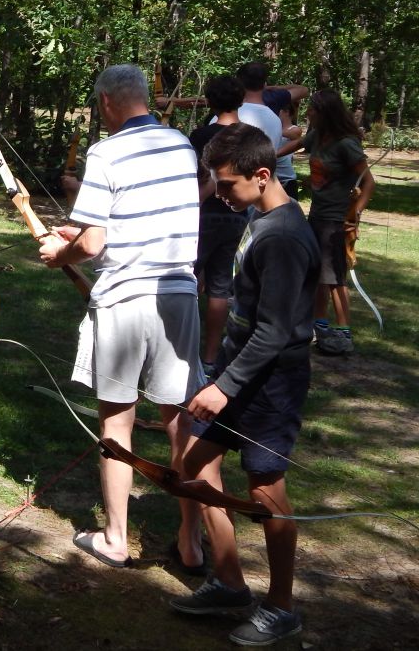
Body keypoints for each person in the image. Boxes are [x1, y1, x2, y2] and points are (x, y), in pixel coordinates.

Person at [38, 64, 203, 571]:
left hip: (126, 300)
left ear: (107, 103)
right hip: (179, 294)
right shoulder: (180, 142)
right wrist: (76, 239)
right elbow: (136, 219)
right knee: (178, 421)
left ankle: (114, 538)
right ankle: (192, 542)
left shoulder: (106, 151)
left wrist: (58, 254)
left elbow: (93, 243)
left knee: (118, 420)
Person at [170, 123, 319, 647]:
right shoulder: (260, 214)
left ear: (262, 174)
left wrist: (223, 386)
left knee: (265, 490)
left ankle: (281, 607)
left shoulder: (282, 235)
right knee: (193, 464)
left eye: (228, 185)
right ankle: (230, 581)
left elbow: (277, 330)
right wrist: (222, 374)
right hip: (239, 374)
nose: (221, 194)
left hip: (271, 384)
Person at [283, 90, 375, 355]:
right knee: (319, 273)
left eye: (312, 108)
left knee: (334, 276)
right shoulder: (319, 136)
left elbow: (368, 182)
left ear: (325, 112)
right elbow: (296, 145)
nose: (308, 112)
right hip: (318, 216)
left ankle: (344, 333)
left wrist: (354, 215)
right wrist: (267, 156)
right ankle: (319, 326)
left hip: (336, 220)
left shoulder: (346, 144)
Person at [189, 76, 249, 376]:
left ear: (210, 102)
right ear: (240, 101)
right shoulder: (251, 136)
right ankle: (210, 359)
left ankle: (182, 353)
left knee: (187, 280)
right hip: (237, 216)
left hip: (202, 215)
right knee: (220, 286)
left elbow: (192, 177)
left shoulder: (201, 136)